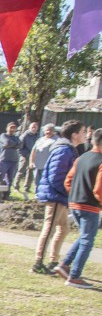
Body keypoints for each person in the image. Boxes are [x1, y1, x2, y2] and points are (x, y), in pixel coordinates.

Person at [32, 119, 86, 274]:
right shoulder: (64, 150)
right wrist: (68, 192)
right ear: (74, 134)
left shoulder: (69, 150)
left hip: (61, 196)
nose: (85, 136)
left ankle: (53, 261)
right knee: (49, 228)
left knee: (64, 229)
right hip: (55, 195)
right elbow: (56, 176)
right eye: (82, 132)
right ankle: (38, 263)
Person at [54, 128, 101, 288]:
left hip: (75, 203)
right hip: (90, 206)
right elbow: (98, 189)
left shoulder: (82, 157)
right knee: (88, 240)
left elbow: (68, 179)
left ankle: (64, 265)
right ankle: (74, 276)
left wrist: (74, 195)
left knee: (83, 237)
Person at [26, 124, 59, 198]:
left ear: (53, 131)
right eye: (47, 130)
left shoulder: (56, 140)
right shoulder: (40, 139)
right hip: (37, 164)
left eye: (50, 130)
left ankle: (45, 196)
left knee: (46, 182)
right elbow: (33, 151)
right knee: (37, 181)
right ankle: (37, 195)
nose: (48, 132)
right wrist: (31, 162)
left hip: (48, 166)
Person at [0, 122, 21, 201]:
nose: (12, 129)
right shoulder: (3, 135)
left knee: (10, 179)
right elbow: (6, 142)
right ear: (7, 128)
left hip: (14, 161)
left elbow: (20, 145)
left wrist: (11, 144)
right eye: (11, 127)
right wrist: (14, 144)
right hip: (4, 160)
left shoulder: (16, 137)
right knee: (0, 177)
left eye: (14, 128)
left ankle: (7, 195)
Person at [14, 121, 40, 194]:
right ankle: (16, 187)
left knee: (30, 173)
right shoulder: (25, 135)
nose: (34, 128)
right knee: (20, 171)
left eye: (35, 127)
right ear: (29, 128)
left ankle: (27, 188)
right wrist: (26, 154)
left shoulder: (38, 136)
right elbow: (19, 147)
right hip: (25, 156)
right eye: (32, 127)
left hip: (33, 157)